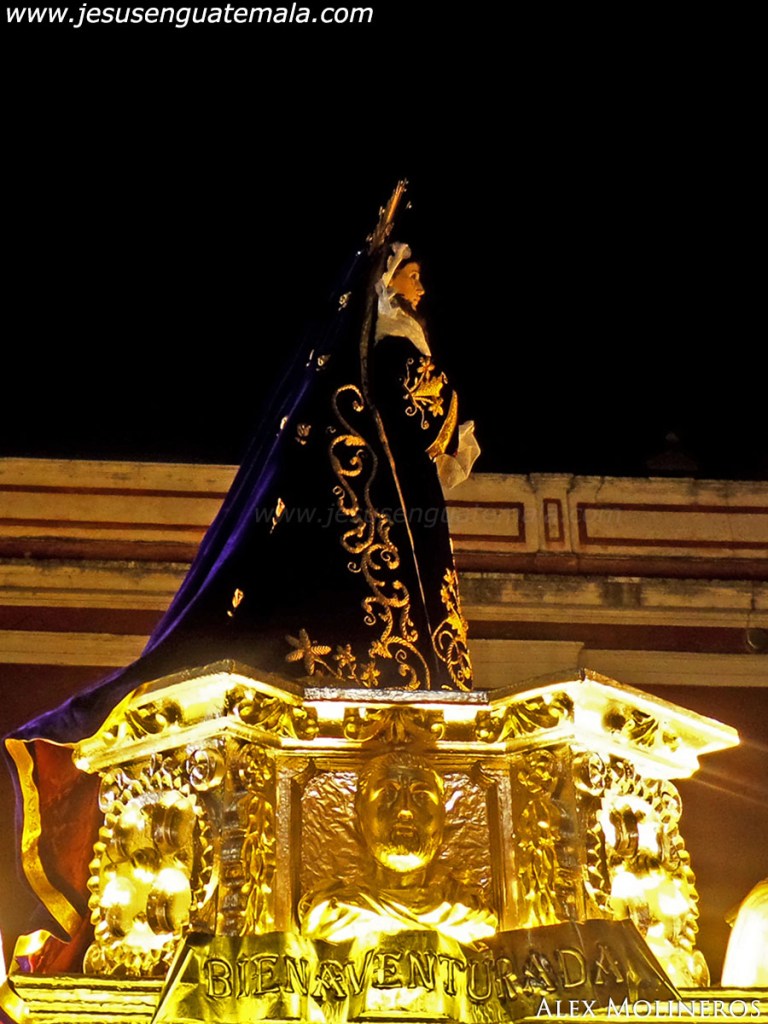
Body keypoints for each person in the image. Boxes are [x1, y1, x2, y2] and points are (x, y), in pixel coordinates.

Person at [299, 751, 497, 945]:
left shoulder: (467, 914)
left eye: (421, 796)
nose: (405, 810)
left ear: (442, 815)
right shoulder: (331, 911)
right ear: (359, 811)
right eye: (388, 794)